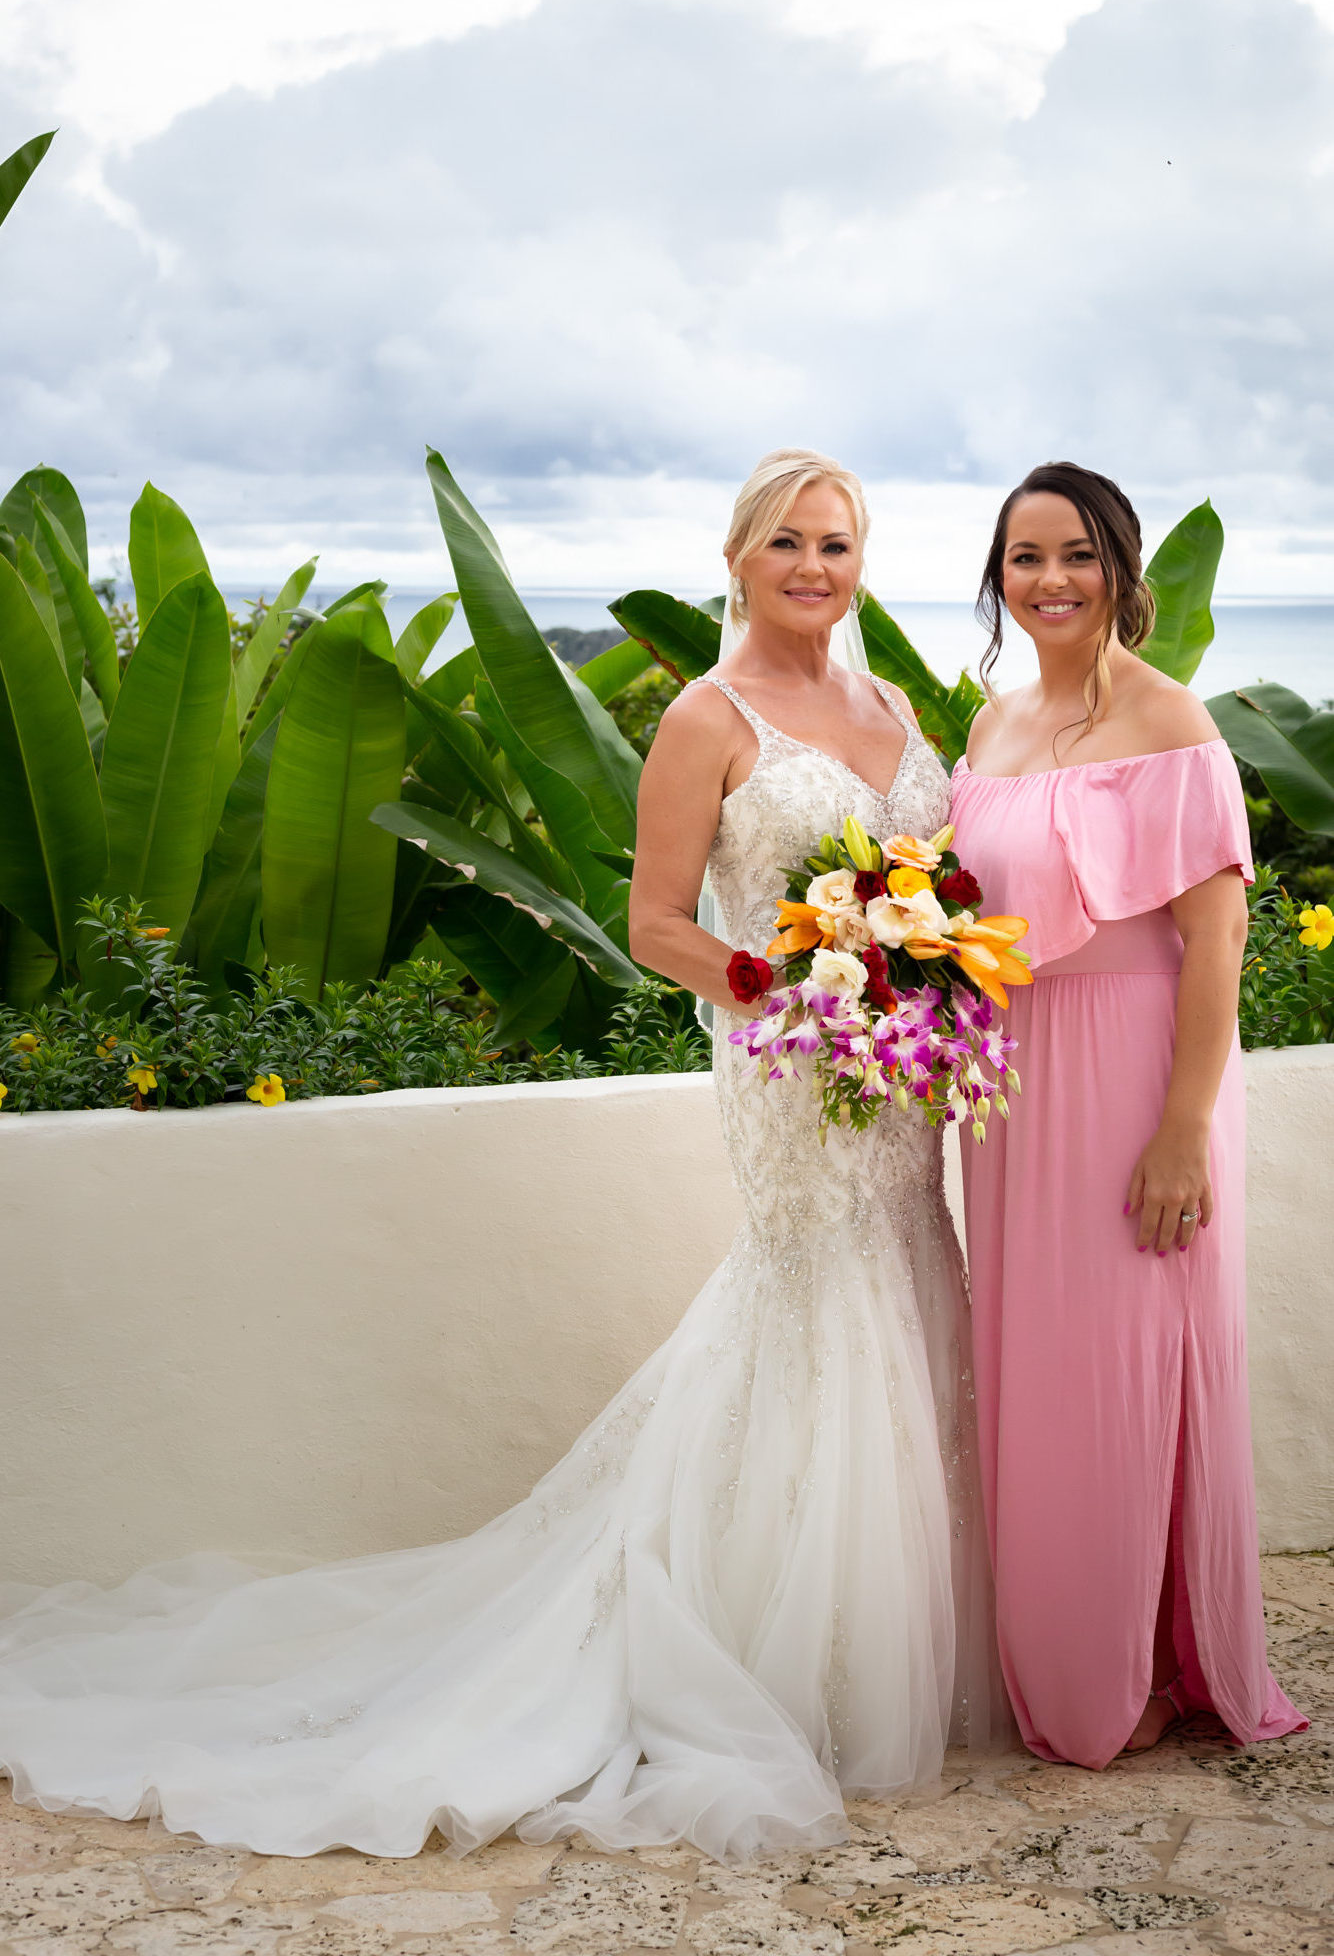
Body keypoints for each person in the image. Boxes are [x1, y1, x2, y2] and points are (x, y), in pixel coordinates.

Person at [0, 449, 1001, 1864]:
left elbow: (943, 872)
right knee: (814, 1292)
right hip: (784, 1053)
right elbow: (655, 918)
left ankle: (887, 1637)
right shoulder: (703, 721)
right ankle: (774, 1659)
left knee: (906, 1278)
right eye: (784, 542)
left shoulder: (892, 703)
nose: (812, 568)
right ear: (735, 559)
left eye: (834, 544)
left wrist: (921, 964)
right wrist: (788, 980)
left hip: (897, 1066)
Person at [950, 460, 1306, 1768]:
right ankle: (1061, 1655)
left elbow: (1215, 944)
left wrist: (1180, 1128)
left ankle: (1147, 1665)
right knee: (1037, 1380)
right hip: (1009, 1092)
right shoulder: (986, 729)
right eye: (1025, 557)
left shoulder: (1172, 723)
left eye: (1075, 556)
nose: (1049, 581)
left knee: (1124, 1375)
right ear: (998, 577)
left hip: (1135, 1079)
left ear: (1120, 571)